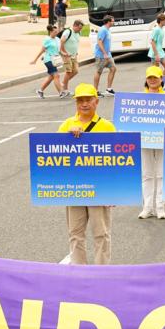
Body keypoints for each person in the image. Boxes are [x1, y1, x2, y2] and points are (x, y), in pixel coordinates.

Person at [60, 84, 117, 264]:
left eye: (88, 100)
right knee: (75, 233)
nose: (84, 104)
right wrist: (67, 137)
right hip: (74, 186)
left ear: (96, 101)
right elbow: (53, 155)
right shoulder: (67, 125)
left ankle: (102, 273)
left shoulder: (107, 126)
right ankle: (79, 272)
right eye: (80, 100)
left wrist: (115, 191)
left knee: (101, 233)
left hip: (100, 188)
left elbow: (117, 160)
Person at [139, 66, 165, 219]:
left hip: (163, 140)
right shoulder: (138, 99)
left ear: (161, 79)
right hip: (145, 140)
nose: (152, 80)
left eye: (155, 77)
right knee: (147, 174)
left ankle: (160, 207)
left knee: (162, 174)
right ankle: (147, 207)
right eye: (150, 77)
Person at [31, 24, 63, 99]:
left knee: (51, 77)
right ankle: (61, 92)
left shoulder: (57, 39)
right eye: (55, 32)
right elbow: (42, 50)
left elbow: (58, 50)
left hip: (55, 60)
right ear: (50, 32)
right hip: (48, 60)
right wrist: (35, 60)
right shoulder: (47, 39)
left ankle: (40, 90)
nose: (56, 33)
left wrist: (65, 55)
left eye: (57, 32)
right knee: (56, 75)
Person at [92, 15, 117, 95]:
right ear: (108, 22)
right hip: (101, 55)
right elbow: (99, 42)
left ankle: (109, 89)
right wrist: (104, 53)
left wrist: (107, 53)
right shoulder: (103, 30)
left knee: (113, 69)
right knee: (98, 72)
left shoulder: (108, 30)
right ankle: (95, 91)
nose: (114, 22)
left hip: (108, 55)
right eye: (113, 21)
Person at [58, 18, 83, 94]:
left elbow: (75, 43)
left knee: (75, 71)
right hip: (66, 55)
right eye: (79, 28)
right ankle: (64, 88)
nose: (80, 30)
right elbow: (61, 41)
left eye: (81, 28)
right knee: (68, 71)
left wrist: (75, 52)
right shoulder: (68, 32)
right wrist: (64, 52)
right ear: (74, 26)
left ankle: (63, 83)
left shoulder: (79, 33)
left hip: (74, 55)